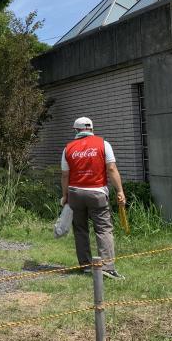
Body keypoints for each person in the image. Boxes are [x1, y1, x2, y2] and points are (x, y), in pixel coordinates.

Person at [60, 117, 126, 279]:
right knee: (103, 229)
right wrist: (120, 191)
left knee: (80, 229)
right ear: (91, 129)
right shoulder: (104, 144)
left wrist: (65, 195)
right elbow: (111, 168)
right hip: (97, 193)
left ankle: (86, 265)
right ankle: (107, 267)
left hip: (75, 193)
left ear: (76, 130)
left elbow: (64, 174)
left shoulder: (68, 148)